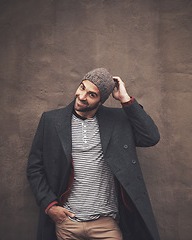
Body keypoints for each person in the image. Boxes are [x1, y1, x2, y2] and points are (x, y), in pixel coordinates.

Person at [27, 68, 160, 240]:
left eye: (91, 94)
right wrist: (50, 206)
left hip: (106, 225)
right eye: (82, 88)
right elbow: (34, 168)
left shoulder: (117, 121)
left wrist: (125, 100)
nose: (82, 96)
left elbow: (151, 137)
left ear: (101, 101)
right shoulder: (51, 121)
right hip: (67, 223)